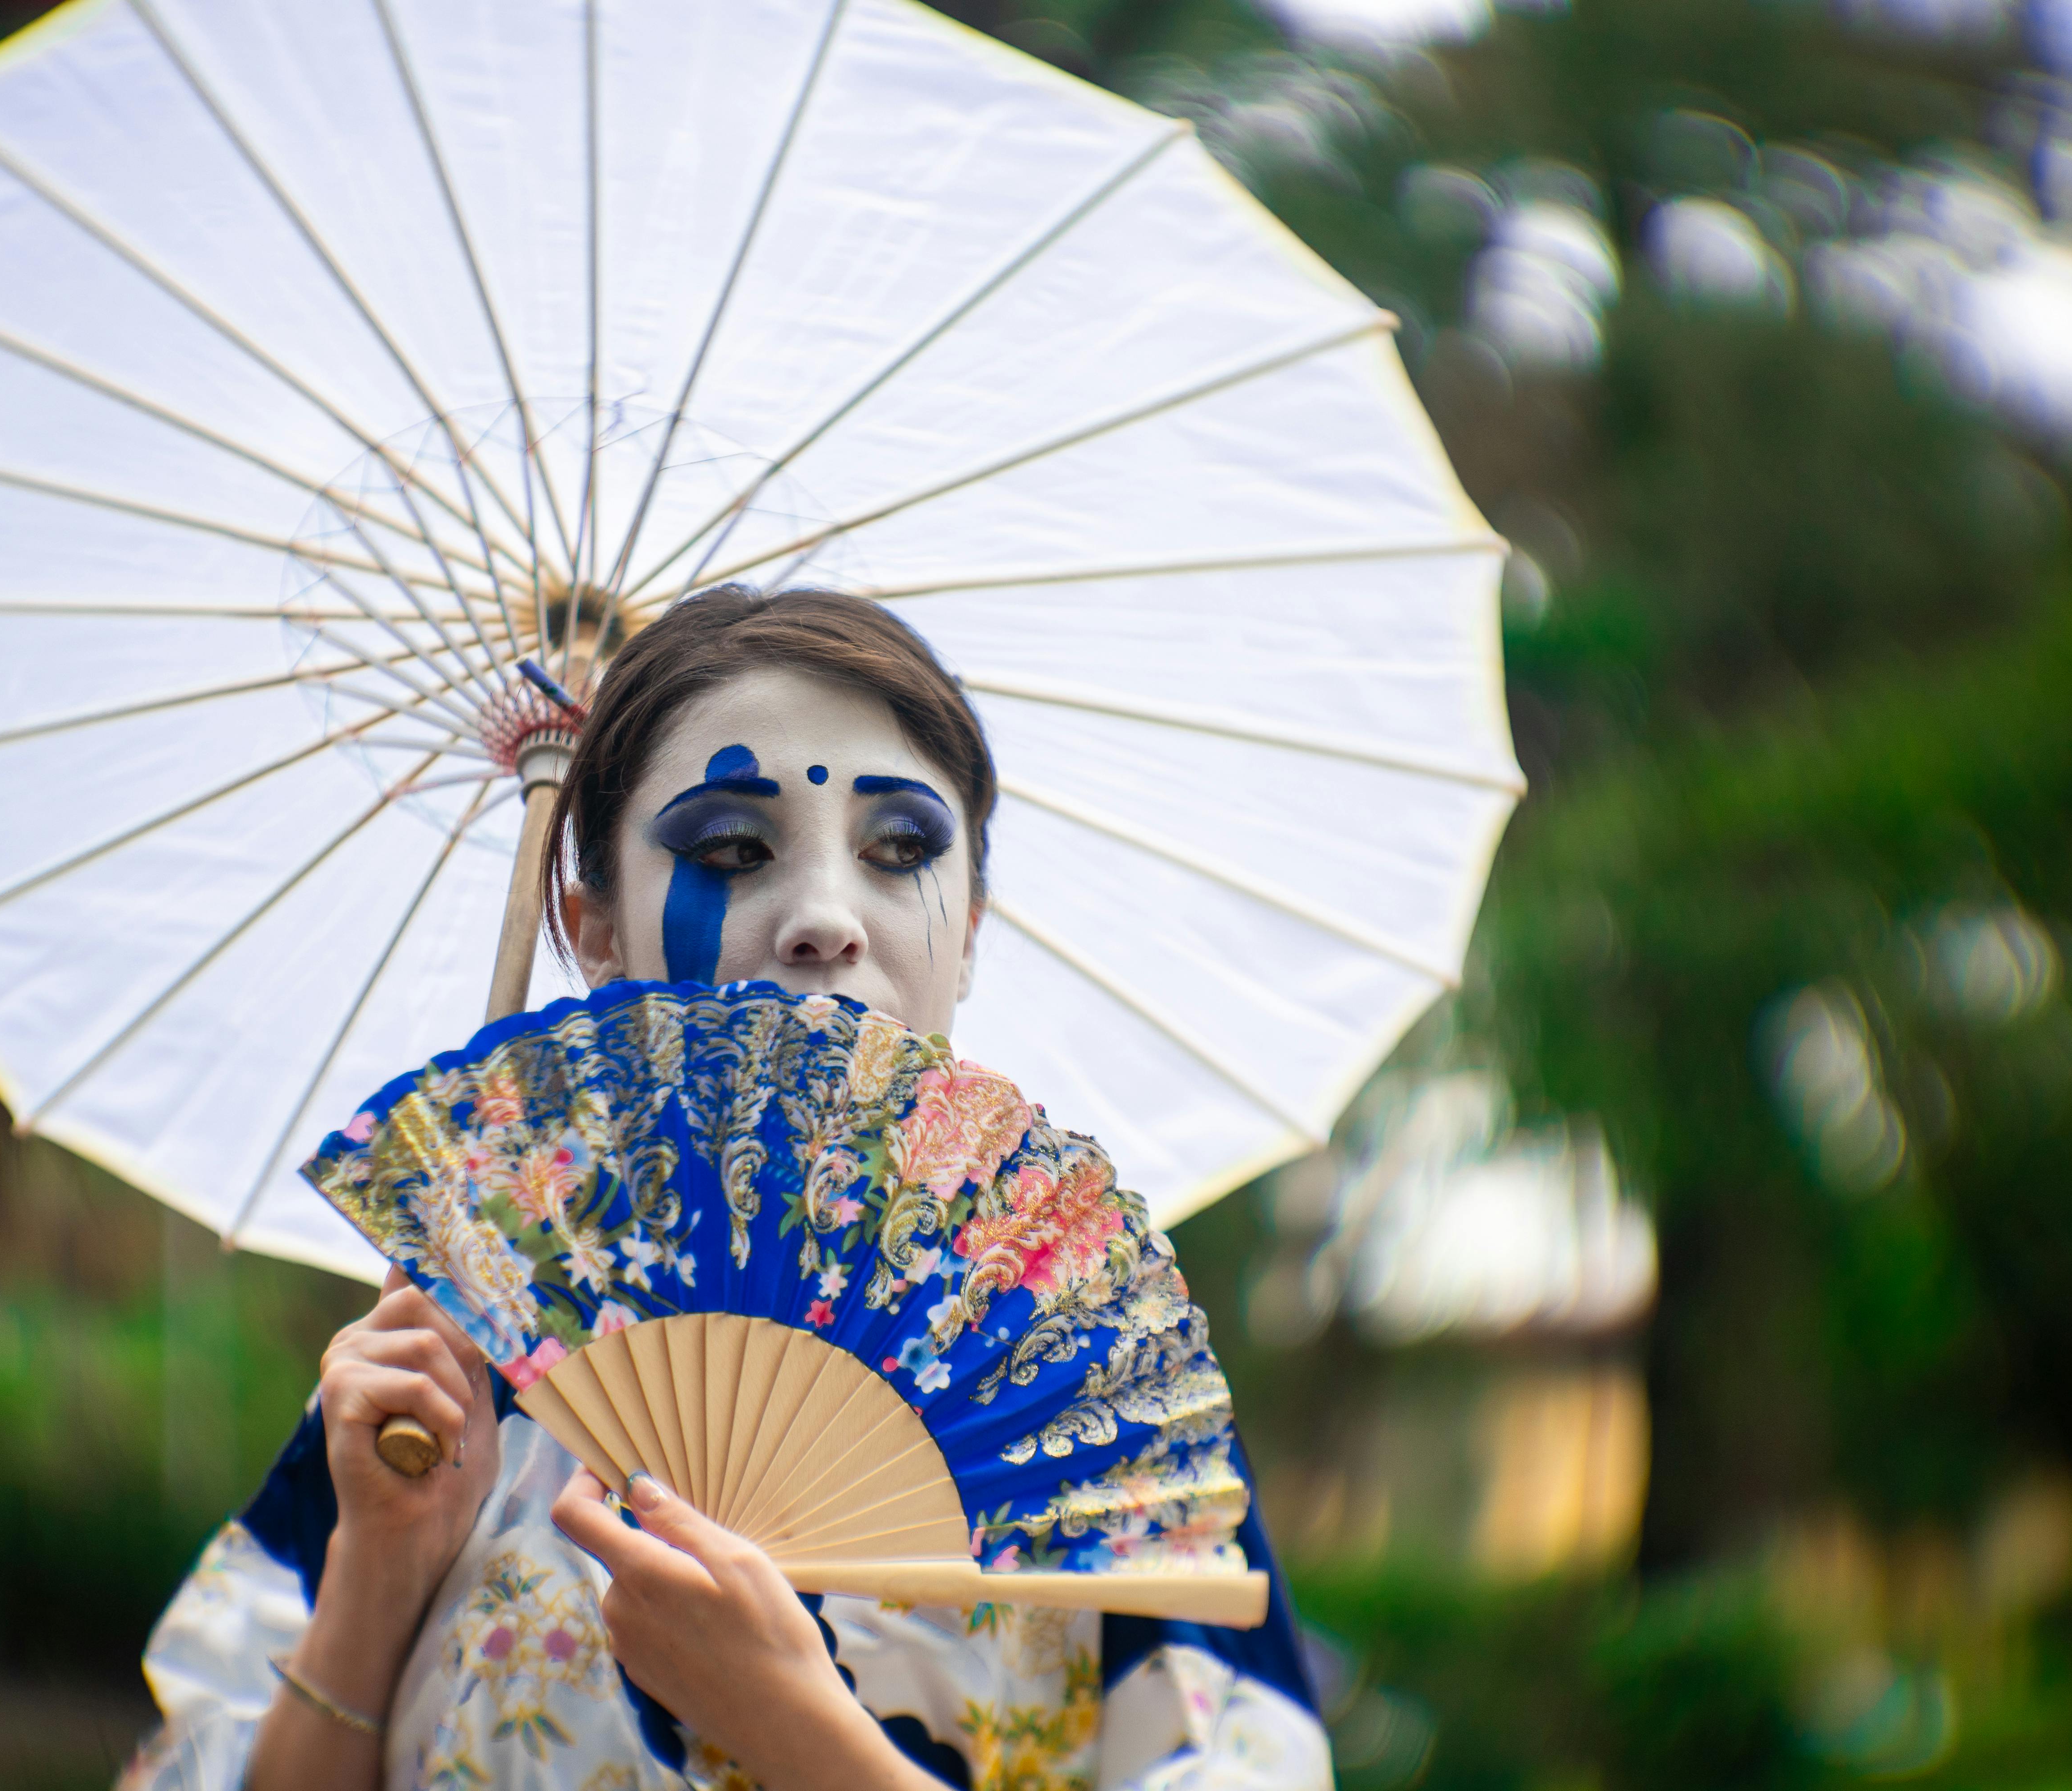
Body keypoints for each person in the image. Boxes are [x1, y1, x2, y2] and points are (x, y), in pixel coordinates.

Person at [120, 588, 1335, 1791]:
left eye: (901, 849)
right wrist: (383, 1572)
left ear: (968, 926)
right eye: (732, 852)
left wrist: (799, 1731)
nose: (822, 920)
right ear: (596, 929)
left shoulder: (1085, 1416)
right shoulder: (446, 1386)